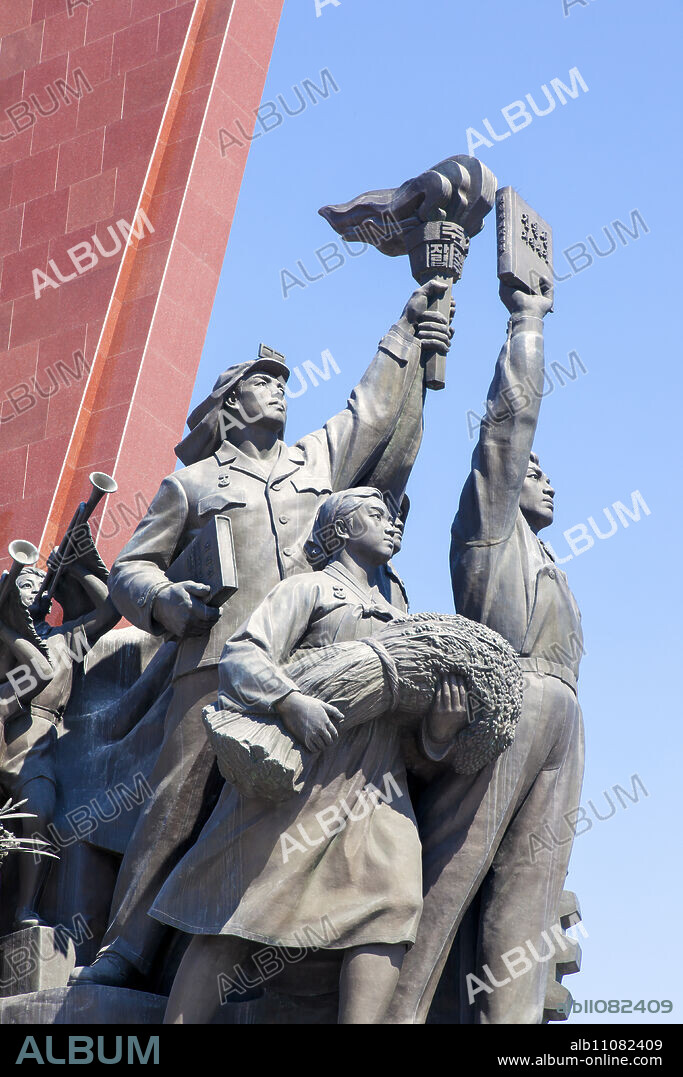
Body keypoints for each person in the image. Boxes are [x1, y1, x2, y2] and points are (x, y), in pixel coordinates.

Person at [72, 280, 455, 988]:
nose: (277, 390)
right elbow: (131, 567)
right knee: (179, 799)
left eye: (281, 382)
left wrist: (404, 325)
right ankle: (127, 945)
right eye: (261, 383)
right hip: (214, 659)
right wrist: (164, 602)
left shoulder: (315, 461)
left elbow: (368, 409)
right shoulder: (190, 484)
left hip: (311, 659)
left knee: (292, 801)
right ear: (229, 406)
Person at [155, 489, 468, 1024]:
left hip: (378, 784)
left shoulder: (405, 614)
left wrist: (439, 731)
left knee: (392, 905)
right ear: (341, 529)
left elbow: (413, 734)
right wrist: (289, 700)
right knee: (239, 911)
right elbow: (243, 655)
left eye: (393, 518)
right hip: (300, 773)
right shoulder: (309, 588)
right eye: (376, 515)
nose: (392, 525)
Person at [386, 283, 585, 1024]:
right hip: (512, 697)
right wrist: (527, 322)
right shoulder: (488, 531)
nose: (546, 479)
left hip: (563, 716)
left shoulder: (550, 563)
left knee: (529, 893)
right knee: (452, 873)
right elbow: (508, 427)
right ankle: (397, 1010)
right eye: (536, 471)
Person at [0, 534, 119, 928]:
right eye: (25, 586)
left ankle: (25, 907)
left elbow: (110, 608)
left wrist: (77, 569)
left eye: (39, 586)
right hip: (4, 725)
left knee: (39, 811)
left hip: (39, 736)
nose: (36, 593)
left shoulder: (65, 640)